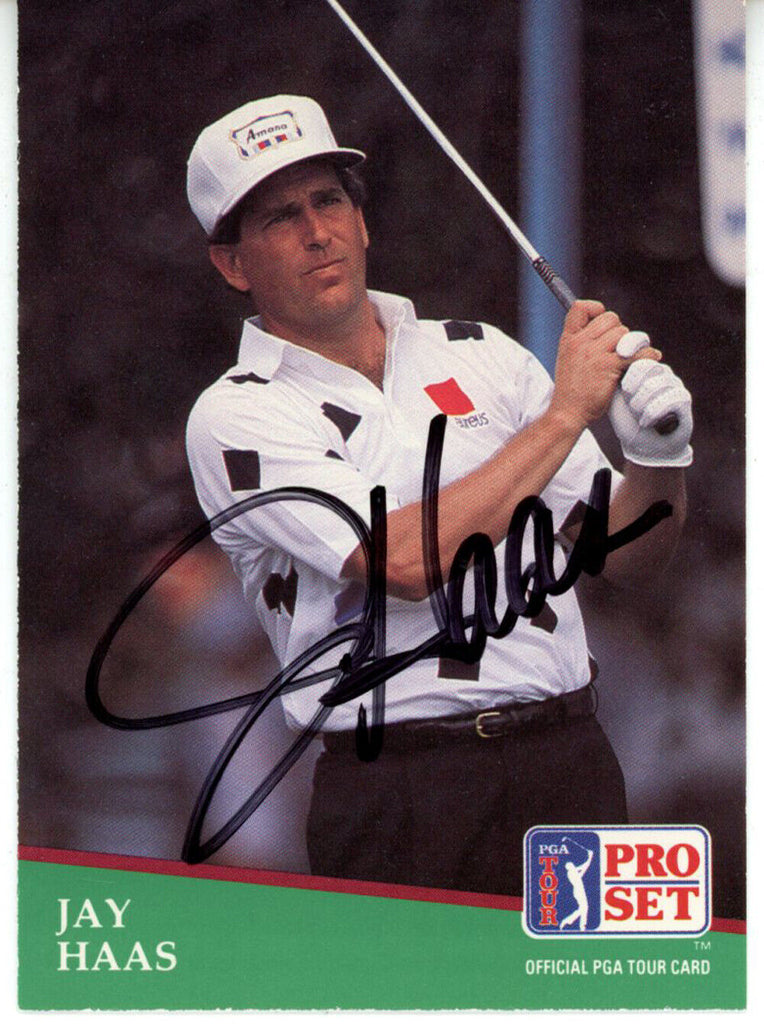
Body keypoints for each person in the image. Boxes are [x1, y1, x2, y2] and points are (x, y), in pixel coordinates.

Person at [184, 95, 692, 896]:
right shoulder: (236, 412)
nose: (317, 232)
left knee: (592, 977)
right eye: (280, 217)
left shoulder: (482, 352)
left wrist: (660, 454)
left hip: (569, 760)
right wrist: (565, 415)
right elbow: (403, 561)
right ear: (233, 265)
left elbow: (629, 557)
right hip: (400, 789)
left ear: (362, 221)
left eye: (329, 201)